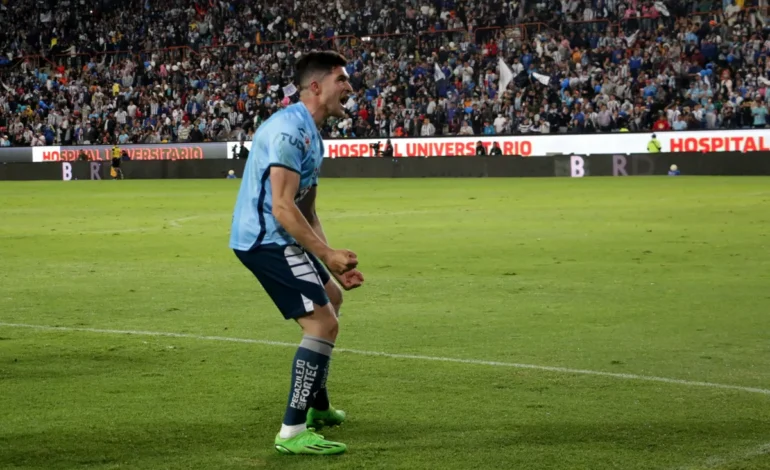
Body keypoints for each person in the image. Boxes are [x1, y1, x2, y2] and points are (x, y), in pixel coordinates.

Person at [229, 51, 364, 456]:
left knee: (333, 300)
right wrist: (325, 254)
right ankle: (292, 431)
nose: (349, 86)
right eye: (342, 79)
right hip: (264, 240)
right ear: (317, 86)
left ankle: (318, 407)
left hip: (281, 235)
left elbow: (308, 210)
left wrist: (331, 261)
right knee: (322, 324)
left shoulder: (311, 133)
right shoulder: (288, 131)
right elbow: (283, 208)